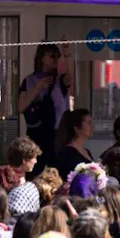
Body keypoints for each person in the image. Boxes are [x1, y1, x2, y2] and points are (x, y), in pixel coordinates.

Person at [20, 43, 73, 173]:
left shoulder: (60, 79)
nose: (56, 59)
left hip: (57, 133)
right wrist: (37, 88)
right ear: (42, 58)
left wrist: (66, 53)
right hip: (37, 133)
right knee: (35, 170)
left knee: (58, 170)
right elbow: (21, 107)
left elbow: (71, 75)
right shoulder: (29, 80)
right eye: (52, 56)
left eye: (58, 56)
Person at [55, 109, 95, 179]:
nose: (92, 126)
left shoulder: (86, 151)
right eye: (89, 123)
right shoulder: (67, 153)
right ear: (77, 128)